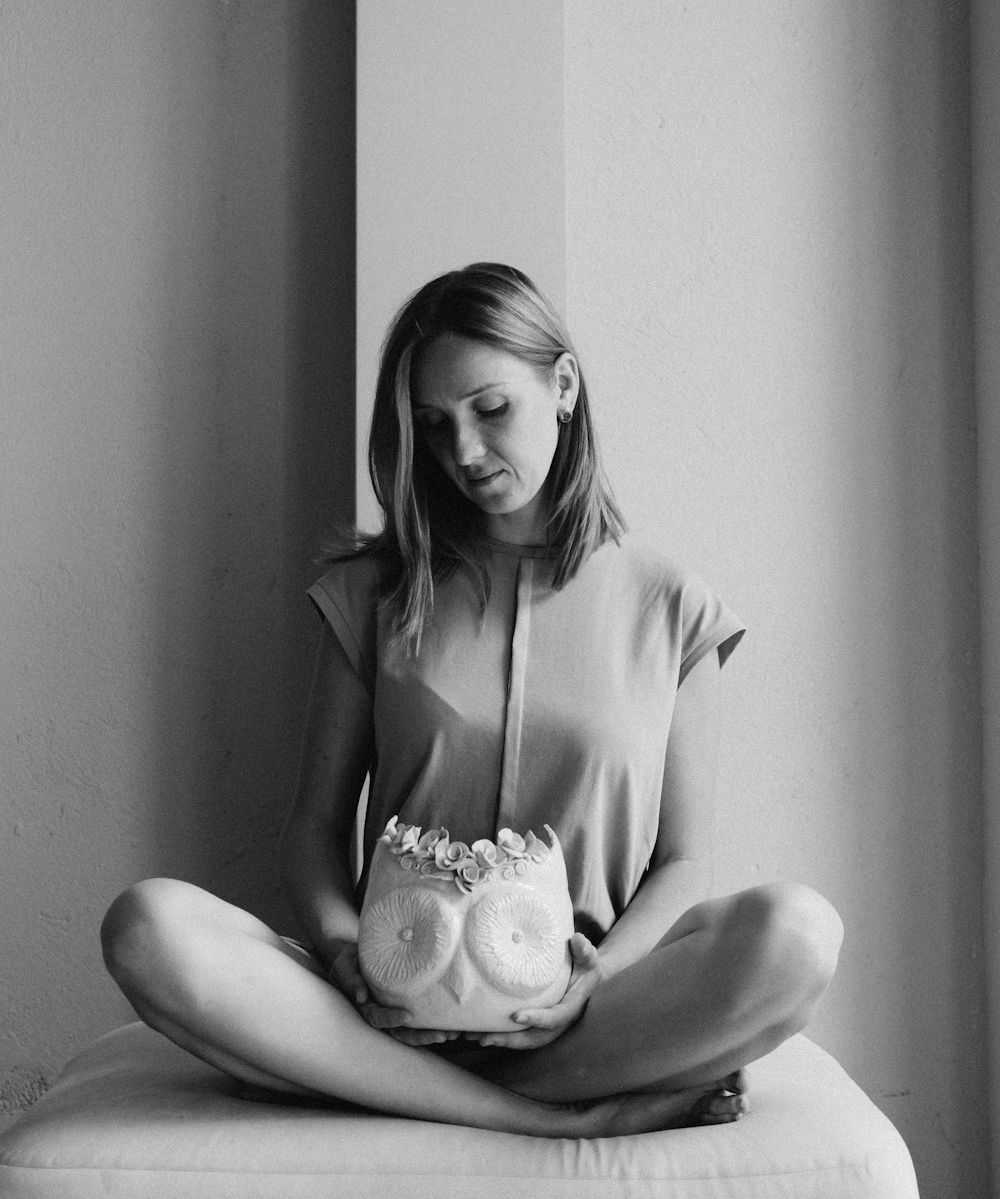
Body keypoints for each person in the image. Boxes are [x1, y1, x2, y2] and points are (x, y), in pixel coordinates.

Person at [101, 262, 842, 1139]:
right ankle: (552, 1120)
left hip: (580, 1012)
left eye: (491, 409)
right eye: (432, 424)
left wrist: (593, 981)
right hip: (390, 1009)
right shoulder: (373, 592)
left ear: (561, 386)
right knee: (148, 925)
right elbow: (311, 830)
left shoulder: (672, 608)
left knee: (795, 933)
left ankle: (407, 1090)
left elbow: (683, 859)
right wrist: (346, 959)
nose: (465, 453)